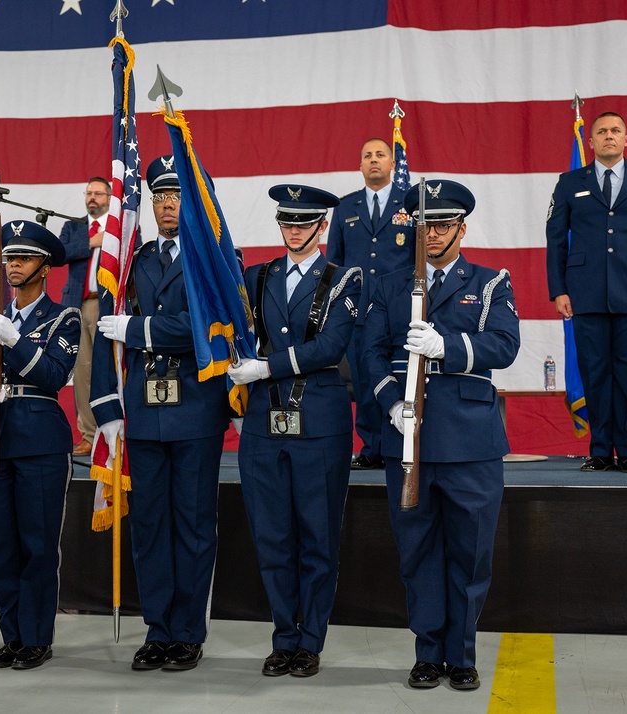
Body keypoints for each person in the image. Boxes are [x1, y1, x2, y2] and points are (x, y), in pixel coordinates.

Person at [362, 180, 519, 691]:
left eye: (444, 225)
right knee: (418, 551)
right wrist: (391, 405)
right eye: (425, 226)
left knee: (470, 553)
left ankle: (463, 654)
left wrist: (444, 345)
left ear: (462, 228)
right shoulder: (388, 285)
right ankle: (428, 652)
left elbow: (503, 345)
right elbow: (368, 354)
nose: (432, 236)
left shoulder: (491, 281)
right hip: (408, 435)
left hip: (469, 440)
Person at [91, 155, 231, 672]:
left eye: (177, 196)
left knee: (193, 523)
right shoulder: (137, 259)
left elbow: (208, 327)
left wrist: (141, 329)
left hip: (195, 407)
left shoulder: (214, 257)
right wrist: (107, 404)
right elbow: (106, 327)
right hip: (145, 409)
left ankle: (189, 632)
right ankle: (158, 628)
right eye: (160, 197)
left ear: (191, 201)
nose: (168, 204)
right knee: (149, 523)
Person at [228, 184, 361, 677]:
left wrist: (265, 368)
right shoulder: (257, 276)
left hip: (319, 422)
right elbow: (238, 330)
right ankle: (284, 636)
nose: (296, 231)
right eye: (288, 223)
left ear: (322, 226)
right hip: (264, 422)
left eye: (305, 223)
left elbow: (330, 347)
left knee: (317, 537)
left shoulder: (345, 278)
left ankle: (311, 640)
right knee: (273, 537)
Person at [0, 220, 81, 670]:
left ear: (45, 267)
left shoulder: (64, 318)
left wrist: (14, 341)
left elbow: (54, 375)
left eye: (24, 258)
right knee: (1, 545)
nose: (13, 265)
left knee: (37, 544)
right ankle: (12, 635)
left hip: (39, 437)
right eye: (9, 258)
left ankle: (36, 637)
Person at [546, 111, 627, 474]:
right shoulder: (570, 182)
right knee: (595, 373)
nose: (608, 136)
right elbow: (555, 239)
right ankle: (600, 450)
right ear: (591, 141)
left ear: (626, 139)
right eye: (601, 131)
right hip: (584, 293)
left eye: (615, 130)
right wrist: (558, 289)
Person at [327, 137, 416, 470]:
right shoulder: (345, 207)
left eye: (381, 154)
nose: (374, 160)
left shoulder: (409, 205)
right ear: (360, 165)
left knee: (398, 376)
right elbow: (334, 263)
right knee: (363, 380)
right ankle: (371, 447)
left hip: (399, 310)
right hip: (358, 309)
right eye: (368, 155)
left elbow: (417, 260)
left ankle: (397, 442)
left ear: (393, 164)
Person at [58, 177, 112, 457]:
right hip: (78, 306)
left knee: (111, 369)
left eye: (98, 193)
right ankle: (89, 435)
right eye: (89, 193)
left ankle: (116, 434)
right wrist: (93, 242)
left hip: (107, 307)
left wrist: (107, 238)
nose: (92, 198)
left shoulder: (121, 225)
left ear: (109, 197)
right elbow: (60, 254)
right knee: (82, 373)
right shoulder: (74, 226)